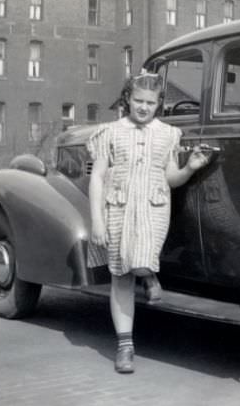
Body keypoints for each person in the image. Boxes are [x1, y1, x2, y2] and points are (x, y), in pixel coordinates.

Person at [87, 72, 210, 374]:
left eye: (150, 103)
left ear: (159, 104)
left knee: (140, 259)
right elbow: (98, 177)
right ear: (128, 98)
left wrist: (190, 169)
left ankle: (150, 276)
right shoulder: (109, 133)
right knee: (121, 276)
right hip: (118, 207)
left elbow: (170, 177)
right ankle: (125, 346)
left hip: (154, 208)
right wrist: (96, 220)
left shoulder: (168, 134)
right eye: (138, 101)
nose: (143, 107)